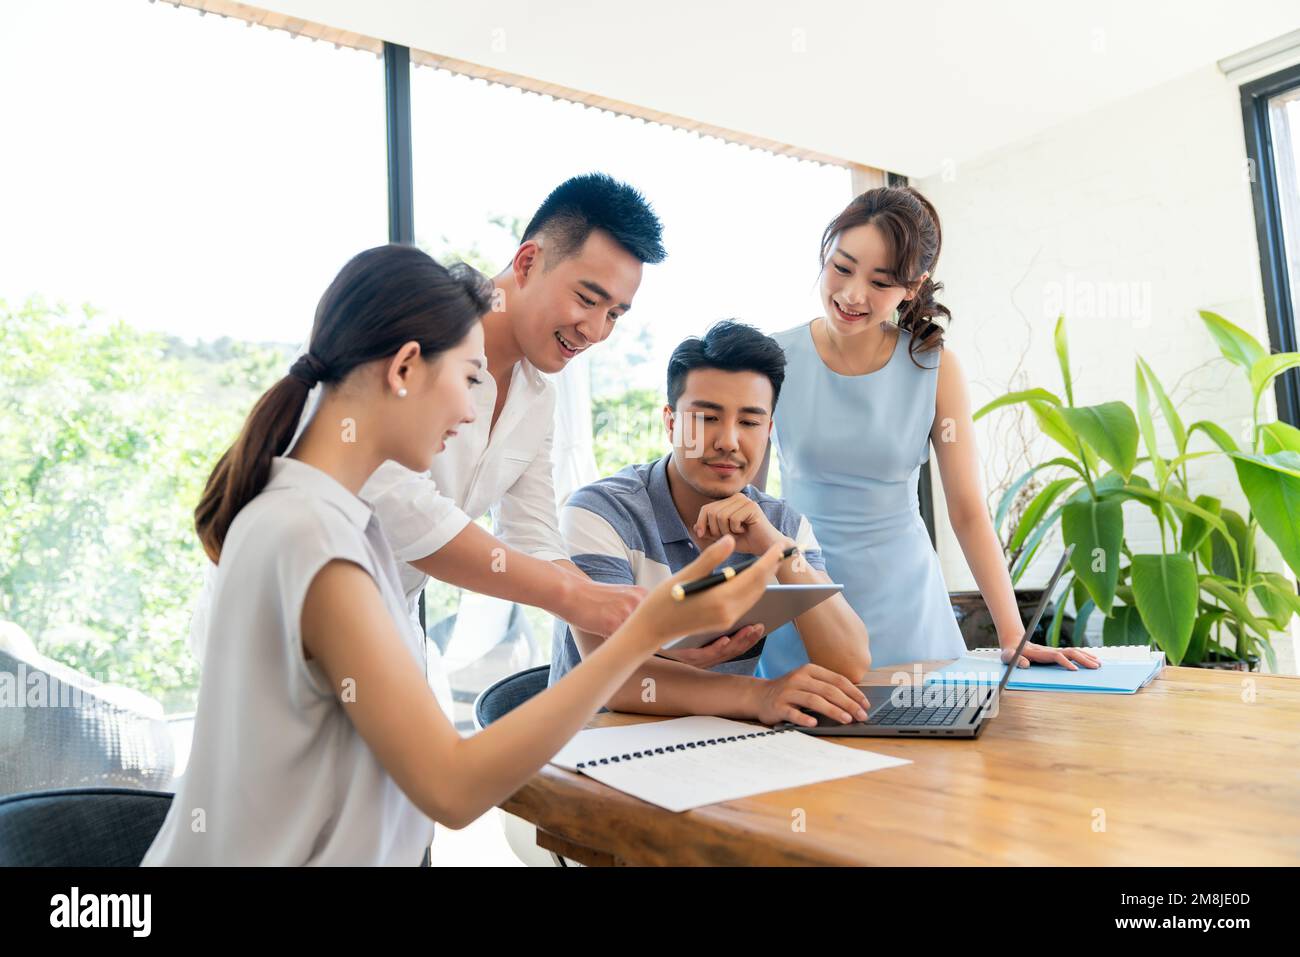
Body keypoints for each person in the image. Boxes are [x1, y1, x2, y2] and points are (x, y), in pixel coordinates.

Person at [144, 245, 785, 865]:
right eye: (469, 378)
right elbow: (452, 787)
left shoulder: (319, 520)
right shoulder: (317, 543)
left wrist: (633, 620)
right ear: (404, 368)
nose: (467, 408)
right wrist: (642, 628)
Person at [188, 173, 667, 705]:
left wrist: (620, 616)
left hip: (390, 627)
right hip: (296, 627)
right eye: (588, 299)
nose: (596, 331)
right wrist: (577, 600)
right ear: (528, 262)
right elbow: (405, 507)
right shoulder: (416, 326)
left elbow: (531, 534)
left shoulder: (539, 395)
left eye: (615, 315)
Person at [758, 186, 1100, 674]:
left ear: (912, 288)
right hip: (801, 601)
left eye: (881, 282)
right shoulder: (773, 359)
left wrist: (1013, 635)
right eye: (842, 267)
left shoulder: (933, 367)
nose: (853, 294)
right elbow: (746, 502)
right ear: (824, 255)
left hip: (907, 611)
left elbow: (966, 511)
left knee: (934, 743)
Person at [549, 320, 871, 728]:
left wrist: (779, 551)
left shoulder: (779, 523)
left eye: (750, 423)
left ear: (769, 431)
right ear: (670, 423)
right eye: (706, 418)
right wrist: (762, 695)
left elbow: (849, 660)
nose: (728, 441)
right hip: (597, 747)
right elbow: (612, 680)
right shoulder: (602, 512)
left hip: (717, 747)